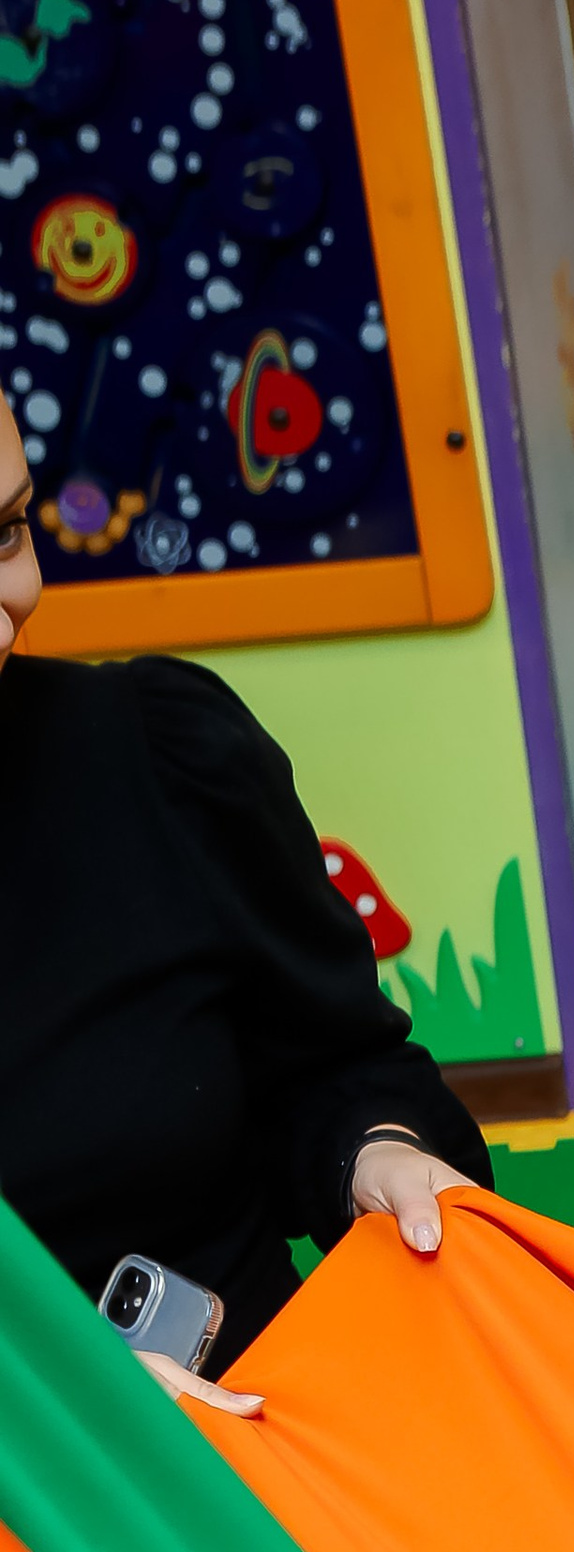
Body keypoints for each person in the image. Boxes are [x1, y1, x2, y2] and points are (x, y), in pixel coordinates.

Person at [0, 394, 490, 1420]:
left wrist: (379, 1151)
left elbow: (334, 1066)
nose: (12, 601)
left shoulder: (155, 755)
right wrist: (55, 1416)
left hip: (274, 1459)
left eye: (7, 532)